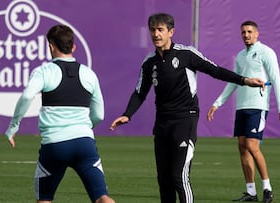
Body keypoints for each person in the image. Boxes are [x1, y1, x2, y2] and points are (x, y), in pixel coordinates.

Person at [109, 13, 265, 203]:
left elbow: (215, 70)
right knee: (164, 181)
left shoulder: (186, 54)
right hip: (162, 124)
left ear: (171, 32)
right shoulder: (149, 63)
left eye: (160, 30)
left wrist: (244, 80)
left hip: (185, 120)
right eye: (152, 30)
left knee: (178, 177)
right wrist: (127, 114)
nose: (156, 34)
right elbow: (140, 92)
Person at [5, 24, 115, 203]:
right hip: (84, 144)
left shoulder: (43, 72)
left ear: (50, 46)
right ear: (73, 47)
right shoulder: (89, 74)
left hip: (55, 146)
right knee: (101, 197)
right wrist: (83, 128)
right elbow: (99, 115)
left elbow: (26, 96)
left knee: (45, 199)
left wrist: (13, 126)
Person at [207, 21, 280, 203]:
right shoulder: (240, 56)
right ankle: (251, 192)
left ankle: (267, 189)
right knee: (243, 148)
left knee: (253, 146)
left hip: (258, 106)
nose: (246, 35)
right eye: (243, 32)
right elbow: (234, 82)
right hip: (242, 107)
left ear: (257, 34)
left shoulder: (266, 52)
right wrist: (217, 103)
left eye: (250, 31)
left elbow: (276, 81)